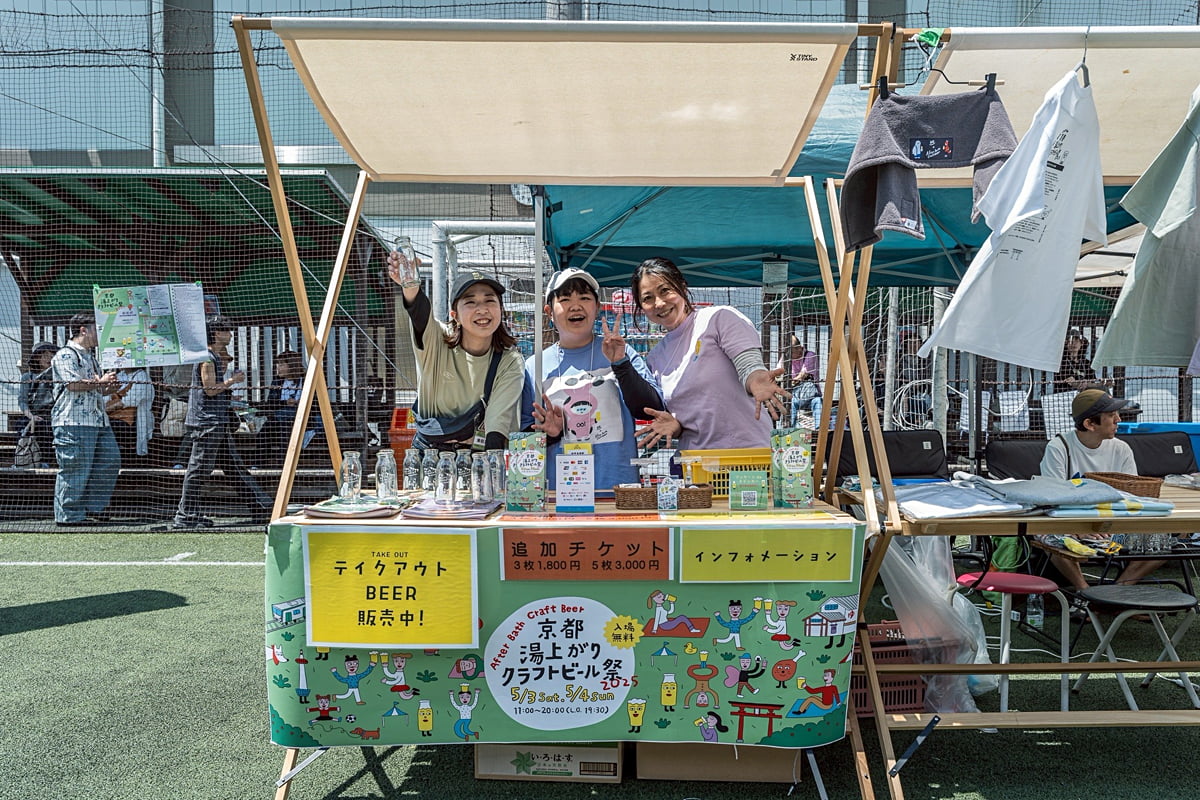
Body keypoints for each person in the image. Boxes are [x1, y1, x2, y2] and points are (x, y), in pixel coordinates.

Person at [630, 257, 788, 451]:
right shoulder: (654, 358)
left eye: (665, 290)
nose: (659, 303)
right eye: (648, 298)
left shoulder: (718, 318)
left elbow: (748, 364)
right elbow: (683, 419)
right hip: (696, 466)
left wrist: (756, 379)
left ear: (681, 286)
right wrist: (675, 427)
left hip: (748, 456)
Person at [527, 268, 664, 491]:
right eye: (565, 299)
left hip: (619, 488)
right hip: (560, 492)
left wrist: (620, 364)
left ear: (597, 307)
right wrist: (549, 435)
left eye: (584, 298)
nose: (576, 305)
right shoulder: (534, 366)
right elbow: (524, 437)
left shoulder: (622, 351)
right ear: (549, 311)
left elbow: (650, 408)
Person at [386, 250, 524, 452]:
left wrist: (492, 468)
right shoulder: (437, 339)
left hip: (477, 454)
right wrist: (411, 287)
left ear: (501, 311)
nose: (482, 309)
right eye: (470, 302)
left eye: (490, 300)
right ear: (455, 315)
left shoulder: (510, 360)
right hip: (429, 453)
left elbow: (498, 419)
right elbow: (420, 314)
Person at [1037, 388, 1164, 591]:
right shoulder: (1059, 447)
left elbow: (1131, 497)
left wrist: (1106, 526)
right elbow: (1051, 498)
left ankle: (1117, 592)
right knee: (1048, 534)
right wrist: (1079, 527)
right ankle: (1085, 593)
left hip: (1115, 529)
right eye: (1111, 416)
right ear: (1090, 424)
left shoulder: (1121, 448)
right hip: (1071, 527)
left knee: (1161, 539)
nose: (1118, 420)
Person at [173, 315, 273, 529]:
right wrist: (231, 381)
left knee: (233, 466)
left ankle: (262, 507)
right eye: (226, 331)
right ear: (217, 333)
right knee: (198, 469)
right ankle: (185, 516)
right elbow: (209, 390)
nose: (230, 334)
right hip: (206, 422)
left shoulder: (215, 357)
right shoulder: (207, 358)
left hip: (216, 420)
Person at [50, 313, 121, 526]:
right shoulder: (65, 355)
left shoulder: (91, 356)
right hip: (72, 421)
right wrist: (100, 381)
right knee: (75, 467)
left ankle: (94, 507)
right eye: (97, 329)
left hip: (98, 419)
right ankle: (69, 515)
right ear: (83, 330)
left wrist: (109, 386)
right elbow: (72, 384)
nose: (101, 334)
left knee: (110, 460)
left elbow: (96, 386)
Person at [17, 341, 58, 467]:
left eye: (52, 355)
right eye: (44, 355)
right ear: (37, 357)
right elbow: (22, 401)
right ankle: (28, 460)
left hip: (56, 416)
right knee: (25, 425)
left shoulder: (60, 375)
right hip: (34, 416)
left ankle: (47, 461)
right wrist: (31, 417)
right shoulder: (27, 377)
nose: (49, 358)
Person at [105, 367, 154, 462]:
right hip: (112, 415)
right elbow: (106, 397)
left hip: (131, 421)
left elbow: (131, 401)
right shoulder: (119, 376)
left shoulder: (141, 376)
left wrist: (107, 409)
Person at [778, 334, 822, 426]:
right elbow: (777, 373)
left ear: (799, 348)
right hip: (794, 395)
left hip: (810, 394)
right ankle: (790, 429)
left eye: (791, 352)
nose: (788, 355)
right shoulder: (785, 358)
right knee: (790, 403)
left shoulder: (810, 355)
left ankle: (819, 430)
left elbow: (802, 375)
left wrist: (789, 380)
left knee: (818, 402)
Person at [1055, 328, 1098, 393]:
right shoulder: (1061, 363)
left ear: (1081, 343)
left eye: (1077, 340)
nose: (1073, 343)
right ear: (1066, 344)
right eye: (1071, 341)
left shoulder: (1087, 363)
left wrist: (1086, 384)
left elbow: (1093, 381)